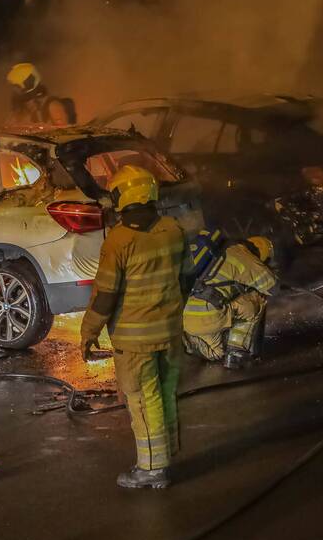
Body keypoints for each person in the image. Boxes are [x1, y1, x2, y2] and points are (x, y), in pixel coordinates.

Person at [80, 165, 190, 489]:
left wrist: (88, 332)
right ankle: (166, 454)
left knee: (143, 400)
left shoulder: (119, 240)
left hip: (134, 341)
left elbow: (105, 296)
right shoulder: (173, 229)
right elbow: (187, 277)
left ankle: (152, 469)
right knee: (166, 394)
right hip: (169, 332)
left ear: (121, 196)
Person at [183, 231, 278, 369]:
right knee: (256, 300)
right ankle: (236, 353)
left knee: (217, 353)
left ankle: (190, 341)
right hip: (209, 317)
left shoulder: (220, 251)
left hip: (186, 317)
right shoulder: (244, 256)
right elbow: (272, 287)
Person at [5, 62, 77, 126]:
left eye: (16, 87)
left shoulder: (52, 106)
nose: (15, 92)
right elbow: (8, 128)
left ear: (28, 83)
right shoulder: (20, 109)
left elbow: (63, 134)